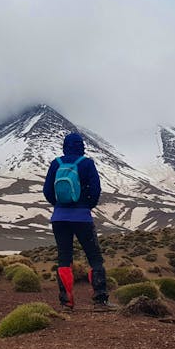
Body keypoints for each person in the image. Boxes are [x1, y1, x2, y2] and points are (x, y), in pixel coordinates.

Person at [43, 132, 114, 312]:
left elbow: (47, 191)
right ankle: (100, 300)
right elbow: (96, 189)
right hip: (82, 217)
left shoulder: (56, 163)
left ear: (65, 146)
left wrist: (58, 205)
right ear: (82, 146)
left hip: (59, 218)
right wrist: (87, 205)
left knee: (64, 258)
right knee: (94, 257)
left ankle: (66, 302)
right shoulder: (87, 163)